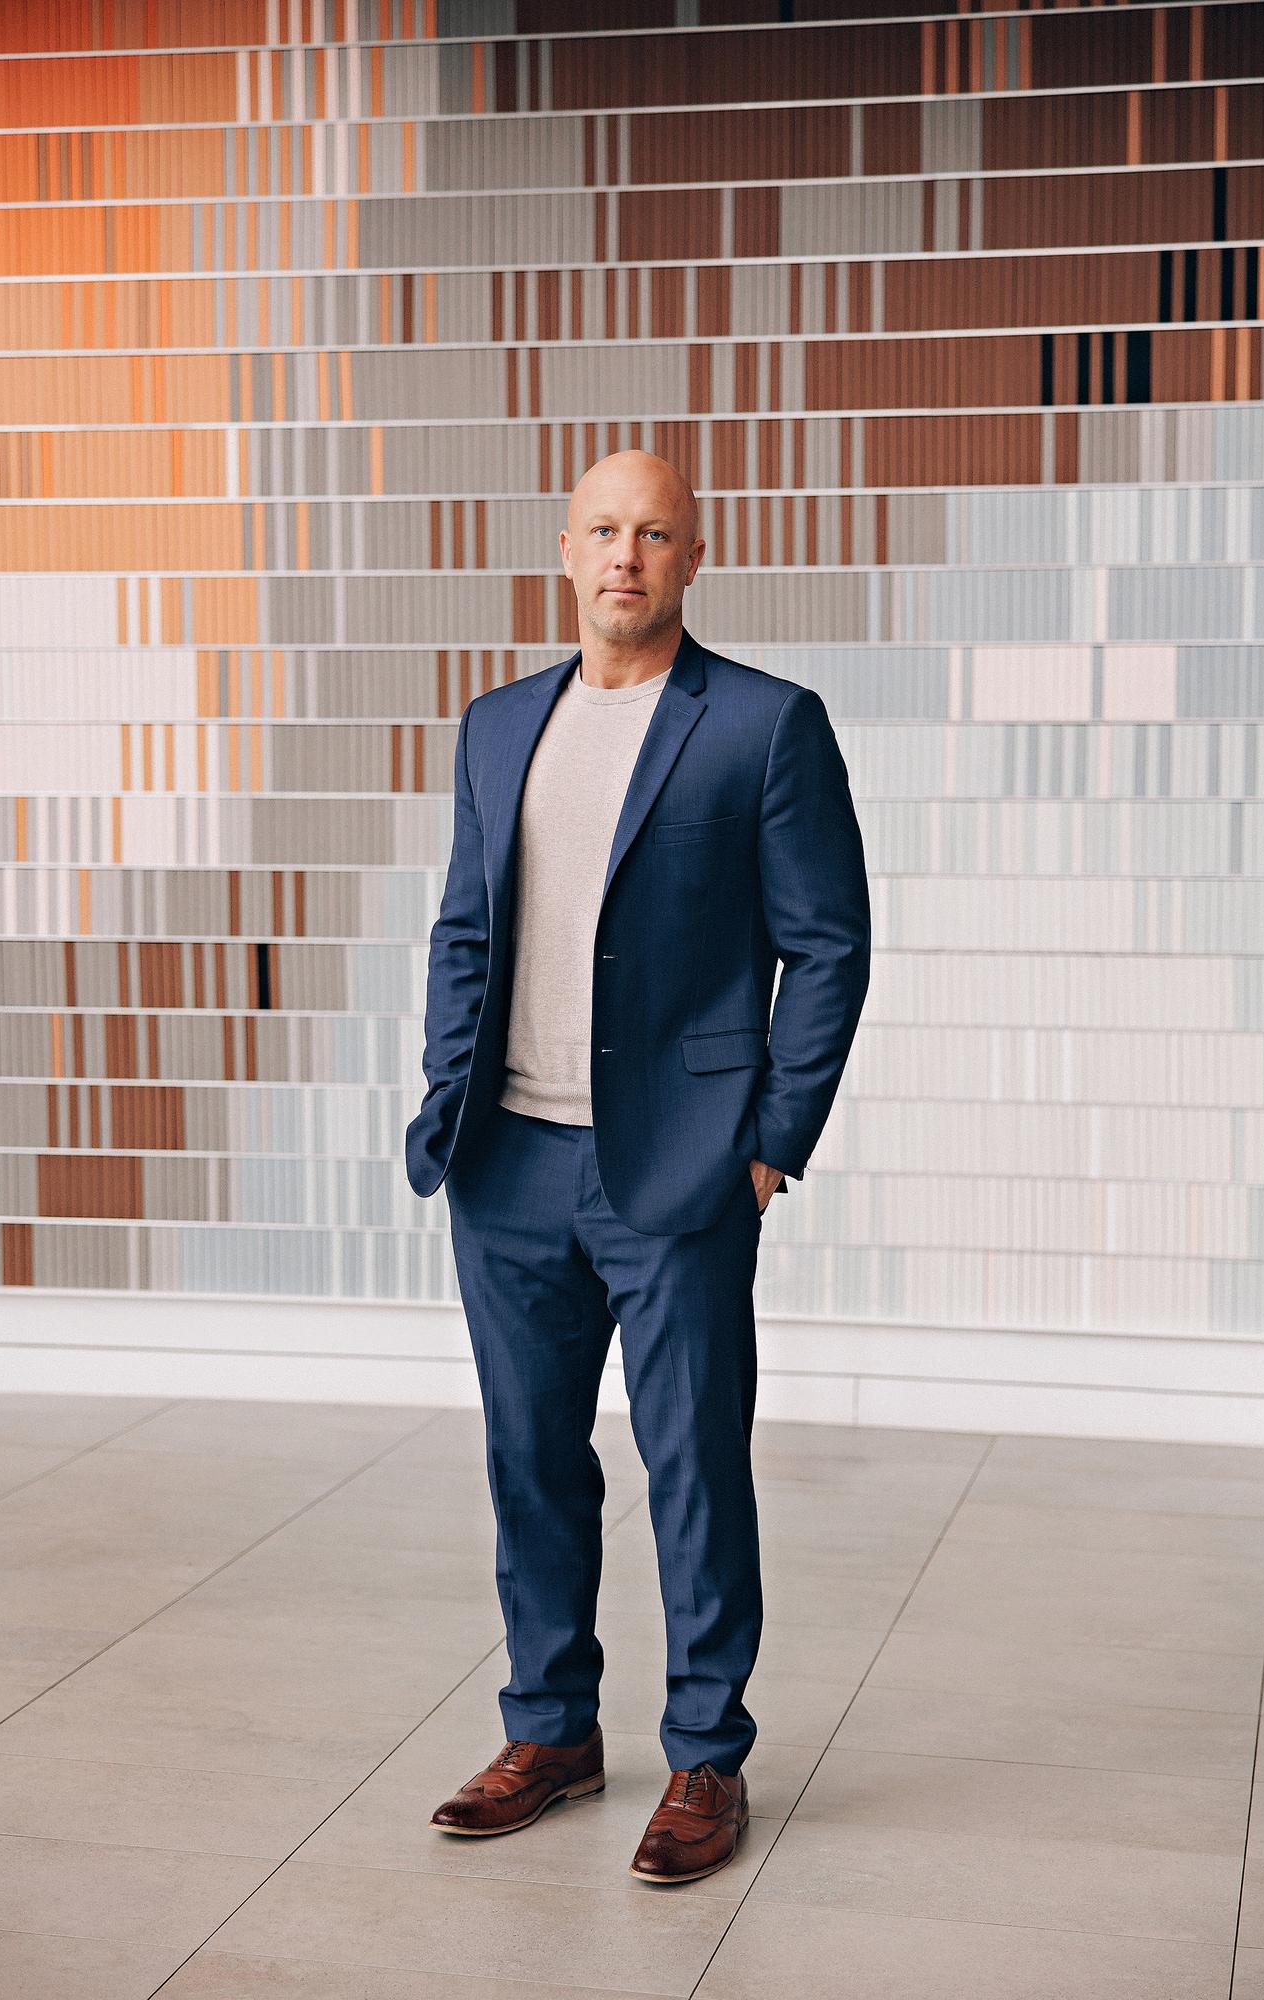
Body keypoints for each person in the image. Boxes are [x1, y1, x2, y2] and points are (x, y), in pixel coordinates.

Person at [403, 449, 871, 1883]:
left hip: (678, 1172)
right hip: (508, 1164)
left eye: (653, 532)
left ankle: (702, 1757)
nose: (626, 555)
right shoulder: (496, 727)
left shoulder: (762, 726)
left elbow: (828, 945)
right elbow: (465, 934)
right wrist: (443, 1096)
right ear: (564, 550)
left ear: (690, 555)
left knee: (690, 1466)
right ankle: (548, 1729)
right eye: (603, 530)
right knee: (530, 1464)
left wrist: (767, 1149)